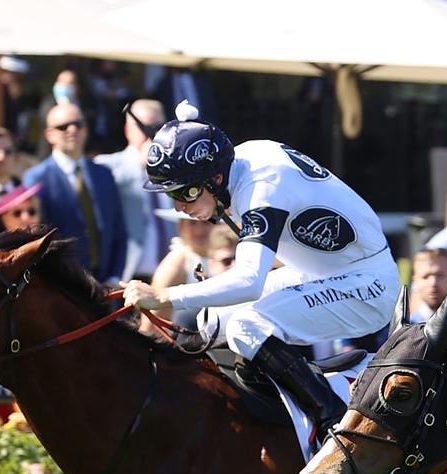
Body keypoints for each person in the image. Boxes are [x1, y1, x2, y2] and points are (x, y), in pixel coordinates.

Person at [120, 101, 400, 443]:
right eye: (170, 195)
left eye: (185, 192)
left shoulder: (262, 186)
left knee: (245, 325)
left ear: (216, 178)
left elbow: (250, 281)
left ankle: (331, 421)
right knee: (213, 321)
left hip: (368, 287)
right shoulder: (242, 161)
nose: (179, 206)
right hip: (327, 273)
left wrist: (164, 295)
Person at [24, 103, 128, 284]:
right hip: (63, 288)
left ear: (86, 129)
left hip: (106, 284)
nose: (72, 130)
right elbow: (37, 239)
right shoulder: (36, 178)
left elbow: (118, 230)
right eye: (63, 126)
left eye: (78, 124)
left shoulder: (103, 173)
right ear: (50, 135)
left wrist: (114, 276)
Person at [96, 99, 174, 281]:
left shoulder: (174, 169)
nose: (152, 134)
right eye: (144, 127)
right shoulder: (107, 166)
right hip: (126, 277)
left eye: (159, 127)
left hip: (169, 278)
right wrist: (141, 165)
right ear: (127, 130)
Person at [147, 207, 212, 329]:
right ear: (181, 226)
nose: (200, 230)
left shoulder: (218, 257)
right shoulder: (177, 263)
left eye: (205, 222)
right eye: (192, 223)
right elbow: (152, 322)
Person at [409, 248, 447, 323]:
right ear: (415, 281)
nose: (433, 283)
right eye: (425, 277)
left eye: (439, 275)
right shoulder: (405, 331)